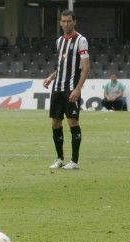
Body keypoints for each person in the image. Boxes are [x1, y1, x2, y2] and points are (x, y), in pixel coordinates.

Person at [43, 9, 90, 170]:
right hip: (57, 88)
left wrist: (78, 89)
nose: (66, 24)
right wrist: (51, 77)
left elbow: (85, 67)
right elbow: (61, 66)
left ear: (74, 22)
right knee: (55, 122)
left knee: (73, 121)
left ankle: (75, 161)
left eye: (69, 21)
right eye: (63, 21)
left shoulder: (81, 40)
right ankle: (59, 158)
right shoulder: (59, 41)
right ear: (60, 22)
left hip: (71, 88)